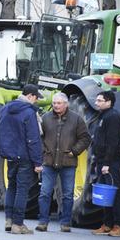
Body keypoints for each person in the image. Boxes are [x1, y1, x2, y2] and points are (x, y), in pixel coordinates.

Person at [0, 84, 43, 235]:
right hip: (25, 157)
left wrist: (3, 150)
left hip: (10, 156)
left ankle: (8, 221)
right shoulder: (29, 113)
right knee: (22, 190)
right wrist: (38, 162)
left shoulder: (6, 108)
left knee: (11, 187)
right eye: (36, 99)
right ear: (30, 96)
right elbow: (33, 139)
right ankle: (18, 224)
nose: (36, 102)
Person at [37, 92, 91, 232]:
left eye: (59, 103)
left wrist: (74, 151)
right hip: (49, 162)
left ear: (66, 104)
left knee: (67, 194)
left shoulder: (76, 119)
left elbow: (85, 138)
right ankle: (43, 222)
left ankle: (65, 222)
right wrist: (44, 151)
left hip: (68, 162)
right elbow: (39, 137)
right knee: (45, 193)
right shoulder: (46, 118)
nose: (56, 106)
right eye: (54, 103)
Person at [91, 90, 120, 237]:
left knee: (115, 193)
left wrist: (106, 163)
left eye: (100, 100)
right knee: (105, 193)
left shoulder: (113, 117)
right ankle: (107, 224)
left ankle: (119, 225)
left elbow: (113, 142)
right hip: (101, 161)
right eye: (97, 100)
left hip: (110, 163)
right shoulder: (103, 116)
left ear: (108, 102)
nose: (96, 103)